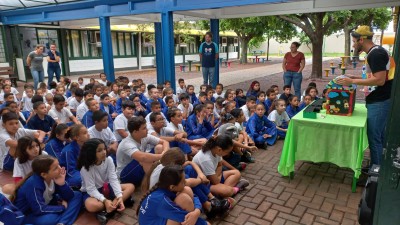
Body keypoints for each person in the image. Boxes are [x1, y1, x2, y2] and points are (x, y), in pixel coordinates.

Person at [336, 25, 393, 167]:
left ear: (361, 39)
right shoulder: (375, 52)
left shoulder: (376, 54)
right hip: (378, 100)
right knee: (378, 136)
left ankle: (376, 173)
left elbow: (379, 80)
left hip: (380, 101)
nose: (354, 44)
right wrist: (352, 76)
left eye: (354, 41)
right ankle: (379, 166)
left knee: (374, 138)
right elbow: (373, 76)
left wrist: (352, 81)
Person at [11, 155, 82, 225]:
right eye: (55, 168)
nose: (60, 168)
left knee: (77, 195)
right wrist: (62, 207)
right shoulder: (34, 183)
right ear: (44, 174)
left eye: (58, 165)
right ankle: (66, 217)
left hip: (47, 205)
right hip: (28, 214)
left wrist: (62, 184)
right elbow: (39, 209)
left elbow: (69, 196)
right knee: (51, 219)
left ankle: (62, 222)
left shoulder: (54, 177)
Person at [78, 138, 134, 224]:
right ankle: (115, 204)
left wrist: (119, 196)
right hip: (92, 193)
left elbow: (113, 179)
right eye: (99, 150)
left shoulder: (109, 160)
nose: (104, 152)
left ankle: (109, 209)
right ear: (91, 153)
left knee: (130, 186)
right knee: (92, 206)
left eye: (104, 149)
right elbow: (91, 189)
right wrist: (104, 200)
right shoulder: (85, 168)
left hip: (107, 187)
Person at [138, 165, 209, 225]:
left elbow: (194, 196)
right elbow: (185, 217)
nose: (185, 182)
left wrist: (197, 211)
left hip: (158, 218)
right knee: (184, 199)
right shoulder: (162, 201)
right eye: (183, 182)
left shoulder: (164, 187)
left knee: (187, 189)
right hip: (155, 221)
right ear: (172, 187)